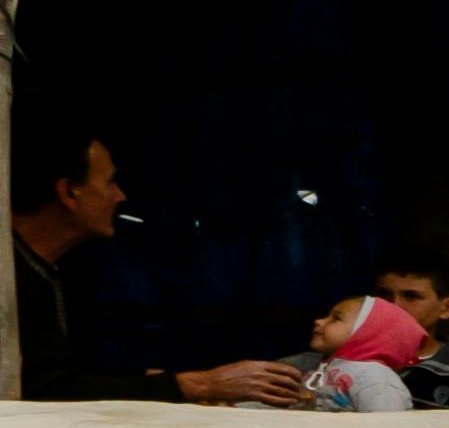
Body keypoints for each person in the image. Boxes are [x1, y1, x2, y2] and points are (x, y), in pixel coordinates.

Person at [9, 123, 312, 406]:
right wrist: (197, 385)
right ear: (69, 192)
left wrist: (150, 379)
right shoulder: (10, 278)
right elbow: (43, 392)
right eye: (111, 181)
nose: (120, 195)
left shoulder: (58, 270)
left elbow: (73, 371)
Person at [372, 248, 449, 411]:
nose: (394, 305)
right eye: (384, 294)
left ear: (448, 308)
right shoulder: (345, 355)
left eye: (411, 296)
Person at [306, 295, 429, 412]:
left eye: (336, 318)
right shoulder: (326, 367)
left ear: (367, 334)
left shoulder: (376, 378)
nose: (319, 321)